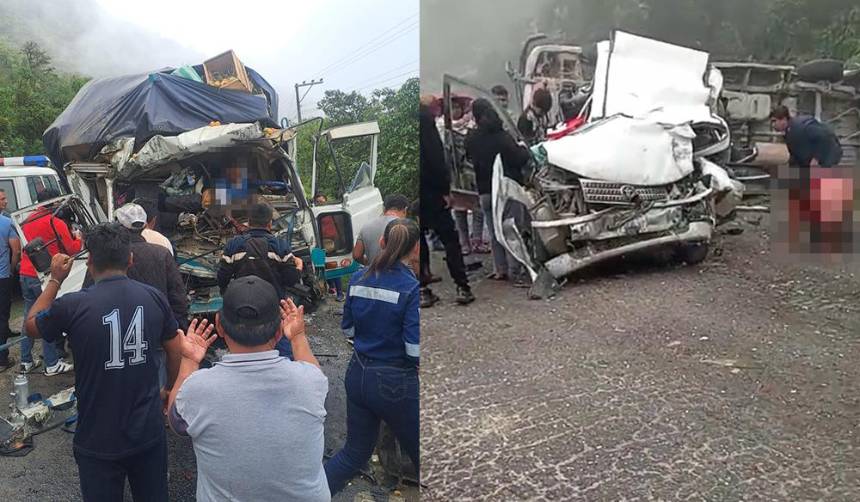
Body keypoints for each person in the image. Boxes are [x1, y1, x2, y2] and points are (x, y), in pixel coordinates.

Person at [24, 223, 183, 502]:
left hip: (96, 436)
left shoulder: (72, 305)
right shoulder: (153, 297)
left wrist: (55, 280)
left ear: (89, 261)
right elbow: (174, 349)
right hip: (146, 432)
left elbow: (30, 325)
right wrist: (168, 388)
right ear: (130, 259)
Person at [167, 279, 329, 501]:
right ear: (279, 331)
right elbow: (315, 375)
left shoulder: (197, 389)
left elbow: (176, 421)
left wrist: (189, 360)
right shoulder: (310, 381)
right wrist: (298, 337)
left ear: (219, 325)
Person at [325, 218, 420, 495]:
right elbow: (414, 350)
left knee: (354, 454)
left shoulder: (358, 278)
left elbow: (348, 328)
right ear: (415, 248)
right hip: (395, 381)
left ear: (381, 242)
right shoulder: (411, 288)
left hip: (358, 374)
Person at [217, 203, 303, 358]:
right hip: (274, 309)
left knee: (242, 349)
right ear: (269, 223)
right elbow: (291, 279)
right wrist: (299, 266)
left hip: (241, 309)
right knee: (283, 351)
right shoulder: (280, 246)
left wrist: (225, 292)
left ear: (249, 222)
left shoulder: (234, 245)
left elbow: (222, 276)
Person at [466, 99, 533, 286]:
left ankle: (500, 269)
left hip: (485, 192)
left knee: (495, 231)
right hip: (506, 190)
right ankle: (515, 270)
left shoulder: (472, 138)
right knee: (511, 229)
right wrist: (523, 148)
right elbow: (519, 158)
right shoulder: (503, 137)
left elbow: (468, 158)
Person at [419, 95, 474, 307]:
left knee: (419, 243)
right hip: (433, 194)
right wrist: (445, 189)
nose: (439, 111)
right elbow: (436, 159)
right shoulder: (427, 125)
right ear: (430, 108)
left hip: (417, 197)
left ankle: (422, 290)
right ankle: (462, 286)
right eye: (437, 106)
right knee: (450, 240)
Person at [19, 188, 79, 375]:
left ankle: (26, 360)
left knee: (28, 318)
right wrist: (79, 238)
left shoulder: (27, 221)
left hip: (25, 273)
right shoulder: (55, 222)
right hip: (43, 276)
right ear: (53, 202)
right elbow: (71, 248)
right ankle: (52, 363)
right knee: (46, 318)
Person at [770, 105, 843, 168]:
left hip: (828, 152)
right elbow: (795, 156)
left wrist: (816, 158)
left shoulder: (801, 126)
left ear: (784, 119)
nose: (773, 125)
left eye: (774, 121)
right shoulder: (789, 133)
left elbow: (824, 137)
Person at [353, 193, 409, 266]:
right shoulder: (407, 227)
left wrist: (369, 264)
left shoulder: (366, 226)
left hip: (374, 271)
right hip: (400, 272)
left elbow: (356, 255)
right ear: (405, 210)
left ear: (384, 209)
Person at [0, 189, 20, 372]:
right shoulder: (6, 223)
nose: (5, 202)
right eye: (2, 199)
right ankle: (2, 358)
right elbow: (16, 250)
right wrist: (12, 269)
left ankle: (6, 331)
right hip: (2, 276)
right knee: (2, 315)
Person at [314, 193, 345, 301]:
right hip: (318, 244)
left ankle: (340, 293)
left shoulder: (331, 213)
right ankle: (331, 287)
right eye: (318, 202)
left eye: (322, 202)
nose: (320, 204)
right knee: (321, 267)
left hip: (330, 243)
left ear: (326, 201)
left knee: (333, 266)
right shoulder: (314, 214)